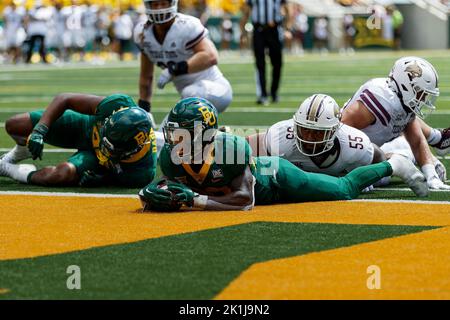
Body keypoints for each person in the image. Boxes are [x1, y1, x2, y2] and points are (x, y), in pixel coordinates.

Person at [138, 97, 428, 212]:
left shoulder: (230, 150)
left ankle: (395, 164)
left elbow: (244, 202)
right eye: (174, 134)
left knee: (344, 190)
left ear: (204, 135)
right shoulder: (171, 156)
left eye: (182, 135)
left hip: (274, 178)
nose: (176, 141)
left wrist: (195, 200)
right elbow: (164, 186)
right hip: (253, 184)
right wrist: (150, 193)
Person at [0, 93, 157, 188]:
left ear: (131, 151)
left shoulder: (141, 172)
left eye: (110, 146)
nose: (104, 144)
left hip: (96, 160)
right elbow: (65, 98)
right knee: (15, 125)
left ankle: (8, 170)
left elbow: (116, 178)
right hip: (84, 127)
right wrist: (39, 130)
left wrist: (103, 180)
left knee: (61, 174)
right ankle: (17, 154)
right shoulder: (118, 105)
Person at [342, 56, 450, 190]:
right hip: (349, 154)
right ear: (407, 86)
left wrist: (431, 176)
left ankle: (434, 143)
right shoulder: (381, 98)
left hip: (372, 150)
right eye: (421, 92)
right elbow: (340, 129)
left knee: (401, 147)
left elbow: (416, 141)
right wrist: (354, 169)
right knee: (383, 177)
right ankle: (432, 143)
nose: (423, 99)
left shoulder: (402, 100)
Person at [134, 0, 232, 116]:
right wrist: (145, 110)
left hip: (216, 90)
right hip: (189, 100)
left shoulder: (186, 25)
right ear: (148, 6)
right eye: (155, 4)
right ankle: (218, 133)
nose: (159, 8)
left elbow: (210, 56)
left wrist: (174, 69)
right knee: (165, 131)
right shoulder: (143, 33)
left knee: (188, 95)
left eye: (163, 3)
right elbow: (146, 77)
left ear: (172, 4)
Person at [246, 94, 383, 176]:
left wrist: (371, 175)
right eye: (305, 130)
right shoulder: (281, 136)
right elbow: (249, 147)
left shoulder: (354, 144)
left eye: (317, 133)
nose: (309, 139)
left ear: (334, 131)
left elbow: (379, 157)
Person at [240, 0, 291, 105]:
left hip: (274, 30)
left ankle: (274, 92)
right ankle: (263, 94)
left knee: (277, 63)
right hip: (258, 31)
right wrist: (243, 32)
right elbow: (246, 12)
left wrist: (287, 29)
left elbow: (287, 10)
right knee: (260, 64)